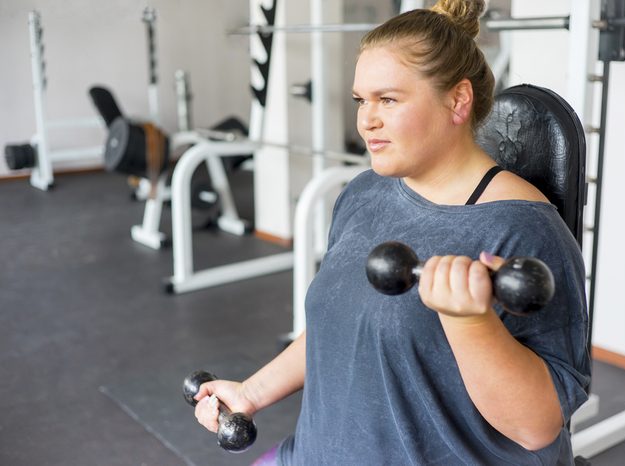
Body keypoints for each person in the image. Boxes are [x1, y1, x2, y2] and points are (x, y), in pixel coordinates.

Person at [193, 1, 591, 464]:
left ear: (458, 101)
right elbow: (344, 323)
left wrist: (470, 322)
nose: (367, 120)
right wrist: (251, 392)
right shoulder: (365, 192)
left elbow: (536, 426)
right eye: (361, 100)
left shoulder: (523, 228)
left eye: (389, 99)